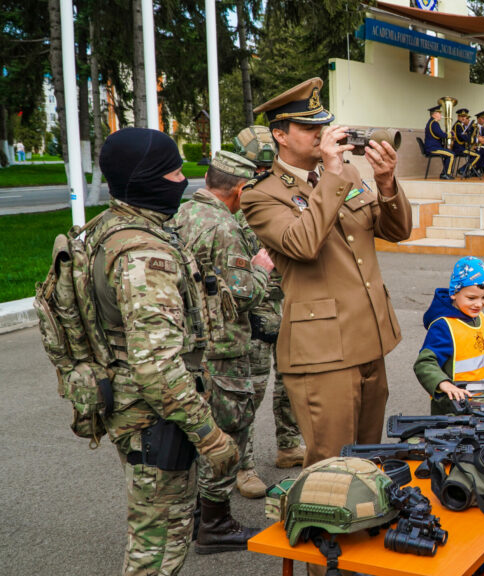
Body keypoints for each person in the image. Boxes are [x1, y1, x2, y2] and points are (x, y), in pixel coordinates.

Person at [240, 77, 413, 470]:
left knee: (369, 460)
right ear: (280, 136)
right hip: (322, 353)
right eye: (308, 128)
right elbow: (302, 244)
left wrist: (386, 183)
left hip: (370, 337)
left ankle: (365, 528)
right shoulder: (261, 193)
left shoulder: (345, 174)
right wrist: (333, 175)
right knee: (332, 466)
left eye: (323, 125)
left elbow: (396, 231)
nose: (321, 134)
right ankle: (322, 531)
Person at [94, 128, 239, 575]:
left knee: (158, 531)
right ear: (146, 179)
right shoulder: (143, 254)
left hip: (137, 408)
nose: (183, 181)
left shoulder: (112, 227)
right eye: (174, 171)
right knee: (159, 541)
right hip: (154, 419)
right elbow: (156, 366)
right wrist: (209, 435)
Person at [170, 151, 272, 552]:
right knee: (227, 435)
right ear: (241, 190)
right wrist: (261, 268)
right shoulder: (224, 226)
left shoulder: (182, 215)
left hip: (191, 347)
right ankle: (215, 524)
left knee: (198, 432)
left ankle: (197, 516)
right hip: (224, 348)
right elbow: (243, 294)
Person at [233, 126, 306, 492]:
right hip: (257, 311)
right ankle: (241, 465)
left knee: (291, 381)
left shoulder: (287, 191)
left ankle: (289, 445)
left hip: (289, 301)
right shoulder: (243, 201)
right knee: (251, 390)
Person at [414, 257, 484, 414]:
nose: (478, 304)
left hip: (480, 402)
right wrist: (444, 383)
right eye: (471, 298)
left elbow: (475, 352)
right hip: (453, 408)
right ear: (454, 293)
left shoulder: (479, 317)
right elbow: (424, 364)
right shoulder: (444, 326)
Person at [424, 104, 455, 180]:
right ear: (434, 114)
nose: (441, 115)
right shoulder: (434, 123)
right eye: (439, 113)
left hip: (433, 147)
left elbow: (438, 134)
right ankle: (446, 174)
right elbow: (441, 134)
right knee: (451, 154)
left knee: (449, 153)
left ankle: (443, 173)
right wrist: (451, 134)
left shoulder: (432, 122)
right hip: (432, 148)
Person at [450, 108, 481, 177]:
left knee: (476, 153)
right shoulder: (458, 125)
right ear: (458, 117)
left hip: (460, 147)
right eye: (462, 116)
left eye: (465, 116)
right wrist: (476, 140)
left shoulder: (460, 125)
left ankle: (465, 170)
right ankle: (464, 170)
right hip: (458, 149)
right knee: (477, 155)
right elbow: (464, 138)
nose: (464, 118)